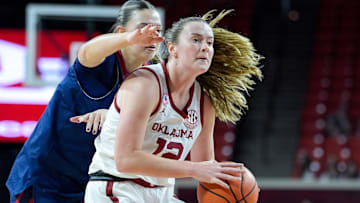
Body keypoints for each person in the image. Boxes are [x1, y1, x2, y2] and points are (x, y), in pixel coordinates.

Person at [83, 10, 263, 202]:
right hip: (117, 187)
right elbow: (126, 160)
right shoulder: (144, 85)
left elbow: (205, 171)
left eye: (209, 43)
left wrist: (230, 187)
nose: (205, 47)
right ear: (172, 48)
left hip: (162, 193)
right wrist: (194, 169)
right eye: (196, 40)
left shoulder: (204, 102)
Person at [6, 0, 164, 202]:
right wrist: (128, 39)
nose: (151, 34)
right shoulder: (101, 62)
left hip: (93, 183)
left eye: (157, 29)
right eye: (142, 28)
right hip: (47, 180)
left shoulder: (151, 78)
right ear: (121, 31)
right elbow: (86, 52)